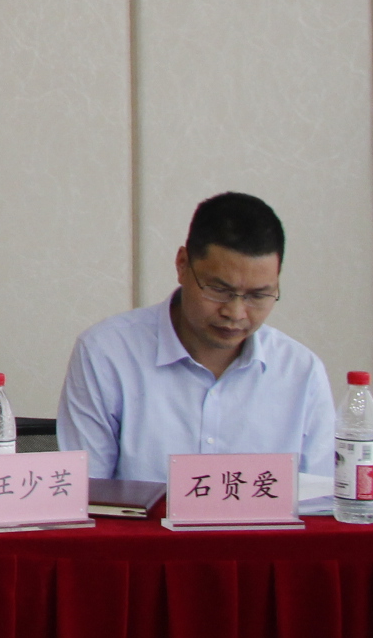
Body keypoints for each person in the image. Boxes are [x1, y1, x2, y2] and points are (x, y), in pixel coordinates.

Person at [56, 191, 333, 482]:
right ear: (182, 264)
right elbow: (86, 493)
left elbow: (321, 498)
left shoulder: (302, 373)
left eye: (258, 295)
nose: (235, 313)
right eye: (219, 290)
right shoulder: (106, 354)